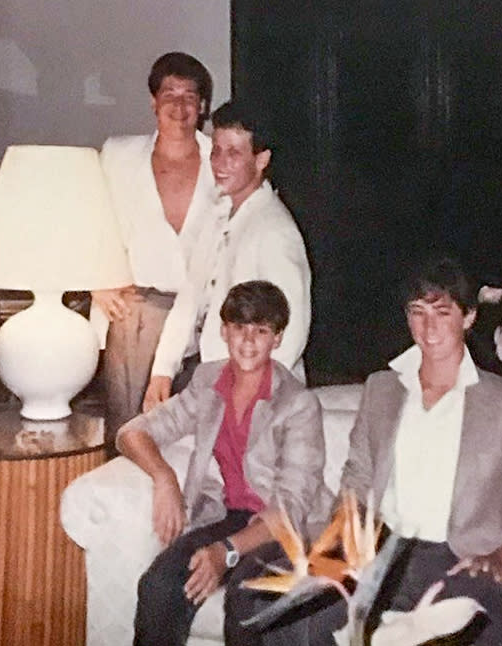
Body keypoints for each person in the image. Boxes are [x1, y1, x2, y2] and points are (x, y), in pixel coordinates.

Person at [241, 257, 502, 645]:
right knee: (287, 614)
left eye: (442, 312)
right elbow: (356, 480)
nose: (428, 327)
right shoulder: (381, 390)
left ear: (469, 317)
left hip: (461, 561)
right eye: (417, 313)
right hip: (381, 553)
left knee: (492, 632)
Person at [117, 280, 327, 646]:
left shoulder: (298, 404)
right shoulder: (208, 381)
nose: (248, 341)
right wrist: (164, 477)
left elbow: (291, 509)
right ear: (223, 330)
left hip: (286, 530)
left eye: (261, 331)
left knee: (248, 598)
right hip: (228, 514)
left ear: (277, 339)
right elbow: (131, 433)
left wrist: (226, 552)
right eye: (239, 328)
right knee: (160, 585)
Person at [141, 100, 311, 413]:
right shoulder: (219, 214)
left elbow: (292, 333)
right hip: (216, 384)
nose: (220, 162)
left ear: (261, 160)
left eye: (234, 153)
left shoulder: (274, 231)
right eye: (216, 150)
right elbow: (190, 297)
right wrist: (162, 370)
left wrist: (247, 400)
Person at [91, 52, 219, 433]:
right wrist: (96, 280)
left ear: (203, 105)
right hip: (136, 315)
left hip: (203, 316)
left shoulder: (223, 159)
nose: (179, 106)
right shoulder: (119, 154)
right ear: (153, 101)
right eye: (169, 94)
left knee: (189, 434)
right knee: (127, 432)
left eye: (189, 96)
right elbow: (92, 220)